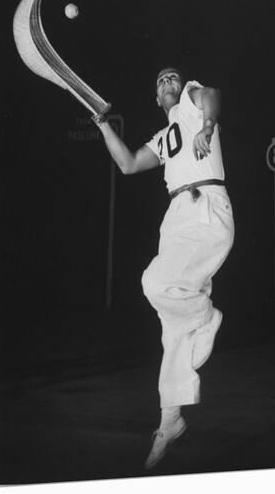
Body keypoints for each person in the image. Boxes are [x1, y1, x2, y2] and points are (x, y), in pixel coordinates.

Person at [92, 67, 234, 469]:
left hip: (204, 205)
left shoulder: (191, 102)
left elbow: (212, 93)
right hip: (176, 219)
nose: (169, 82)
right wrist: (103, 127)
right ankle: (170, 421)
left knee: (155, 282)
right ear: (156, 99)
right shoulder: (163, 137)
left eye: (172, 77)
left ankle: (206, 318)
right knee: (173, 334)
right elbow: (129, 164)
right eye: (160, 82)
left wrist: (207, 127)